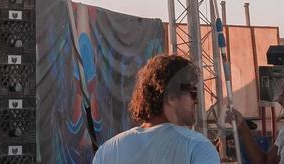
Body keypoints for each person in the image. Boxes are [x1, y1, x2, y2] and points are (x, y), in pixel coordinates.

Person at [93, 54, 221, 163]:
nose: (197, 100)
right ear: (171, 98)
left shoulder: (107, 151)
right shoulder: (197, 146)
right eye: (193, 93)